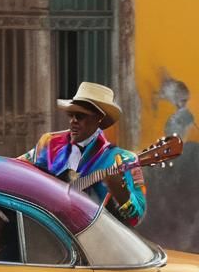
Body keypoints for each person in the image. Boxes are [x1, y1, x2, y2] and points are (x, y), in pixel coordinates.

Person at [19, 81, 146, 227]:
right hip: (45, 229)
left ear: (99, 118)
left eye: (80, 116)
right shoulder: (49, 144)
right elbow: (18, 169)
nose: (73, 121)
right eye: (71, 115)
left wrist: (121, 193)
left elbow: (136, 217)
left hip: (95, 238)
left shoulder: (123, 159)